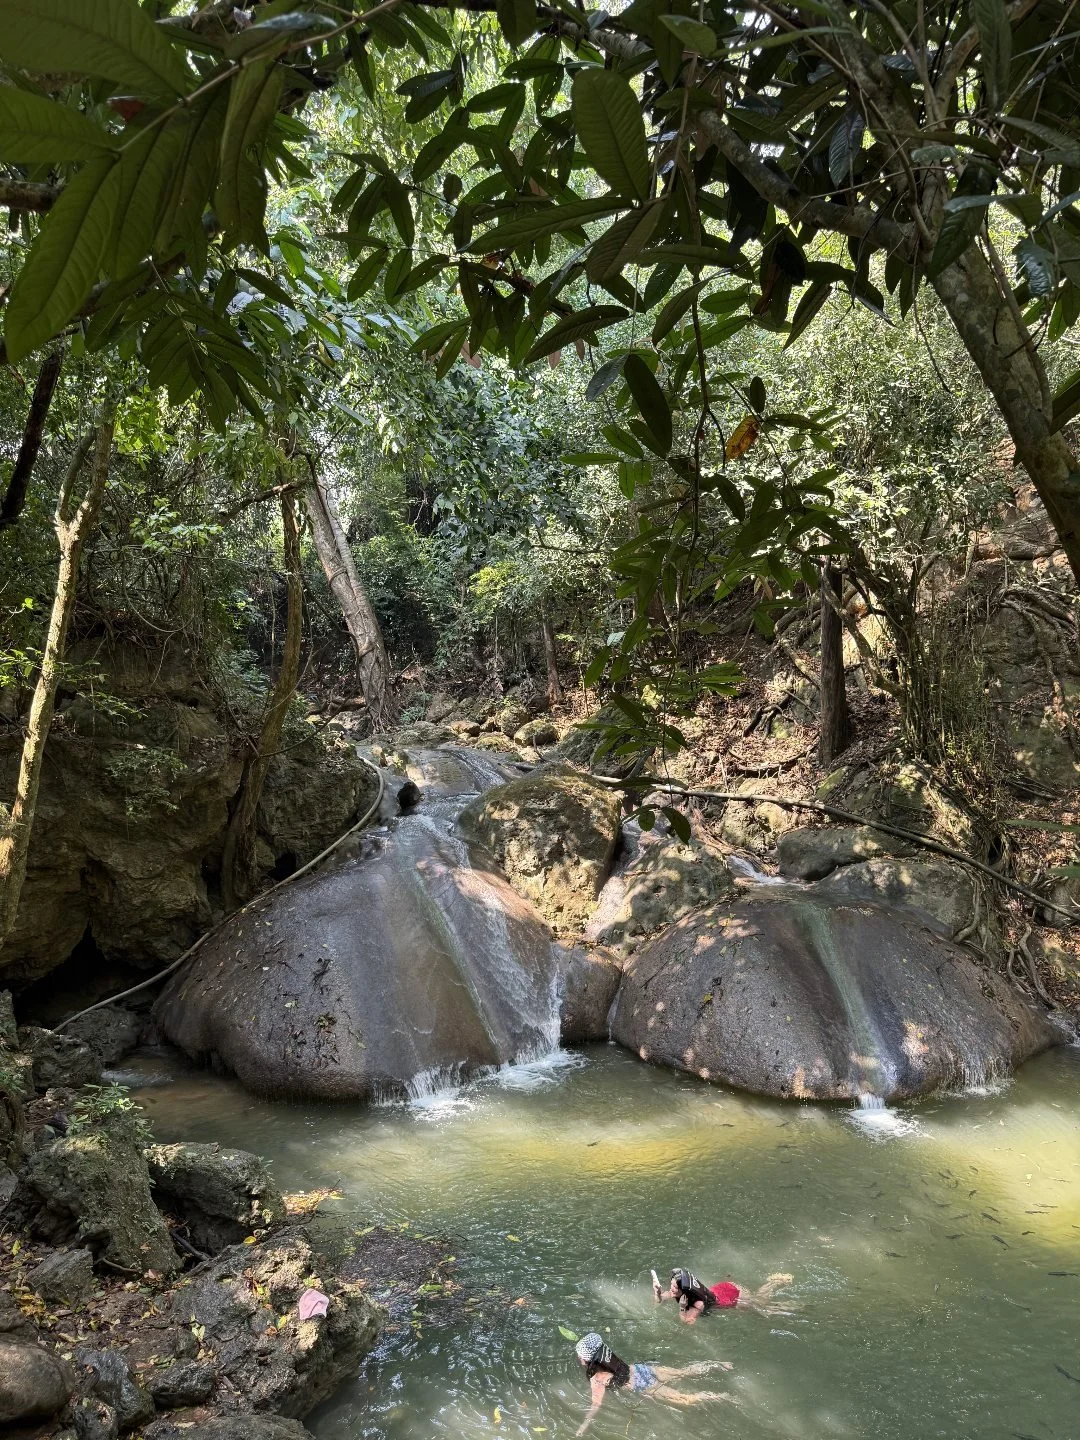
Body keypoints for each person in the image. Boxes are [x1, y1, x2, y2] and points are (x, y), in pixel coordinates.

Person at [572, 1331, 734, 1434]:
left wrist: (582, 1427)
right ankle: (719, 1365)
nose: (579, 1358)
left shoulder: (597, 1379)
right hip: (641, 1369)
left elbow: (596, 1405)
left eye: (580, 1356)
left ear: (587, 1359)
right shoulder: (609, 1357)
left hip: (642, 1385)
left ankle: (722, 1396)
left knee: (685, 1399)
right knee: (683, 1372)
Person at [654, 1267, 795, 1323]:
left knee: (761, 1305)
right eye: (671, 1285)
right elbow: (661, 1300)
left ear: (685, 1290)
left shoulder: (698, 1303)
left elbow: (688, 1322)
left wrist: (682, 1308)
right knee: (758, 1304)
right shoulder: (681, 1290)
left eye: (674, 1288)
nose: (671, 1290)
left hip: (732, 1298)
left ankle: (775, 1283)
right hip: (724, 1287)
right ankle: (774, 1283)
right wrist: (658, 1293)